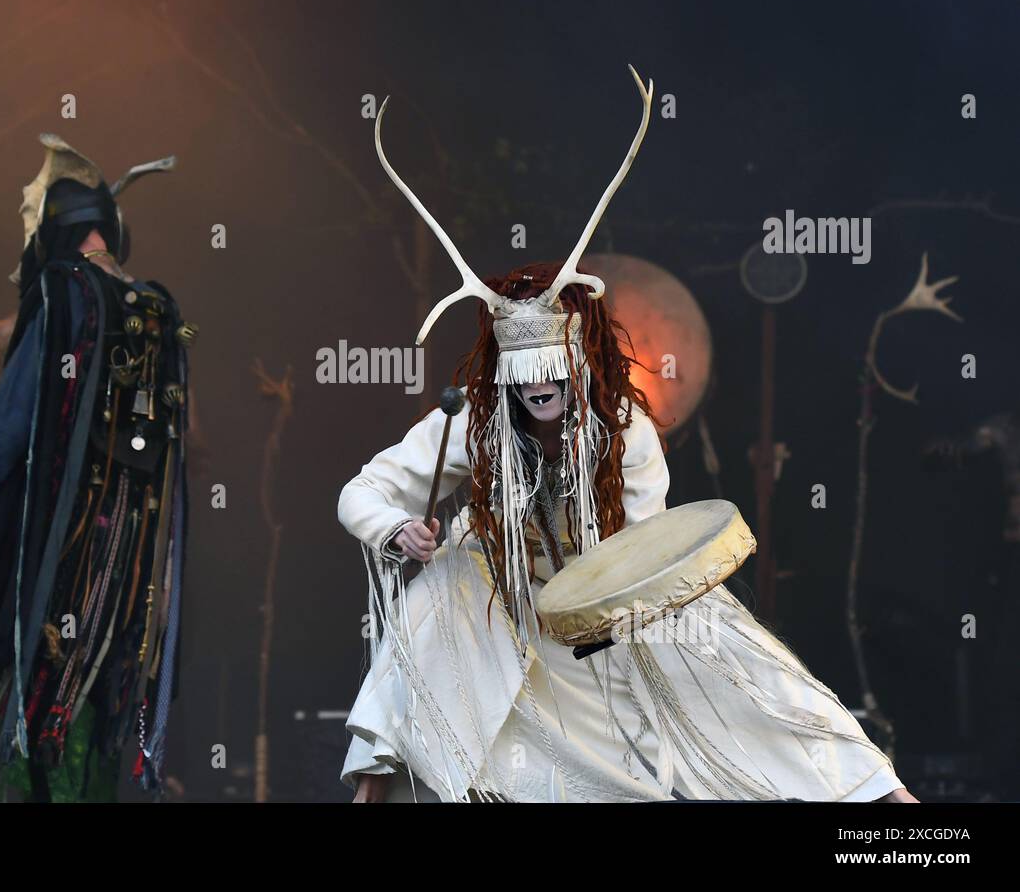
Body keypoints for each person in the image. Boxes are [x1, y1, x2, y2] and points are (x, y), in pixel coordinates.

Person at [338, 72, 916, 803]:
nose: (539, 388)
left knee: (752, 678)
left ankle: (895, 808)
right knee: (437, 595)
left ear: (580, 365)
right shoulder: (477, 423)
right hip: (508, 606)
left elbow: (642, 552)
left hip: (621, 606)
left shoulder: (624, 430)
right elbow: (364, 490)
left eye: (553, 372)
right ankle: (370, 797)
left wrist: (608, 619)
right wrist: (398, 531)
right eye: (525, 377)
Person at [0, 135, 193, 802]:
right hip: (131, 567)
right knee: (94, 703)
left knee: (44, 704)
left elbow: (15, 411)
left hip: (61, 548)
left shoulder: (64, 296)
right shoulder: (159, 309)